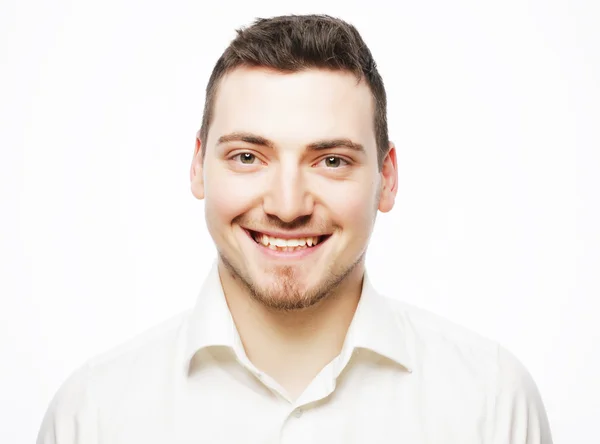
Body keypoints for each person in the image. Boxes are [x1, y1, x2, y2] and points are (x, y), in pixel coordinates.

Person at [37, 14, 553, 443]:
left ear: (387, 178)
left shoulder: (492, 405)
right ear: (197, 167)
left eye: (330, 161)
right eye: (247, 156)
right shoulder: (94, 416)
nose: (287, 206)